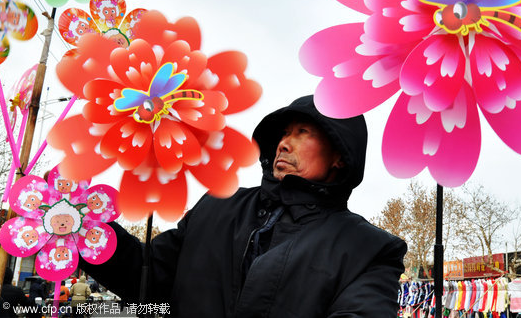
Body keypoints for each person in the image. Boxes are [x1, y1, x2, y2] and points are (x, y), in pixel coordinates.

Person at [80, 95, 408, 317]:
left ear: (340, 155)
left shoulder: (368, 249)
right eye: (283, 133)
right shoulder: (216, 206)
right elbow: (146, 278)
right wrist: (80, 227)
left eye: (302, 131)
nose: (284, 142)